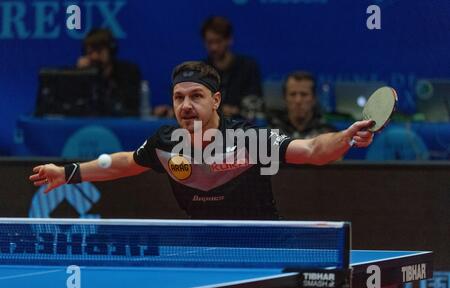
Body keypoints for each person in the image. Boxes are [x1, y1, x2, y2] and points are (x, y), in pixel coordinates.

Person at [29, 61, 374, 220]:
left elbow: (312, 151)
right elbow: (122, 163)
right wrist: (68, 172)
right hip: (203, 246)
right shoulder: (165, 142)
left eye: (196, 96)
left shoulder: (249, 137)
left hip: (262, 248)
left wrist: (344, 138)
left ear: (217, 101)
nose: (186, 105)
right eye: (179, 98)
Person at [201, 16, 263, 119]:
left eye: (218, 41)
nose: (214, 47)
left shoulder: (248, 67)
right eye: (209, 42)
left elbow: (255, 101)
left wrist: (237, 110)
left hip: (242, 126)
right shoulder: (201, 70)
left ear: (229, 40)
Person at [77, 28, 141, 116]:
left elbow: (129, 108)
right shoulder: (80, 74)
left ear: (110, 51)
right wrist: (82, 74)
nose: (95, 56)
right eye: (90, 52)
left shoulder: (128, 73)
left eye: (99, 51)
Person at [269, 71, 335, 139]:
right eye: (292, 94)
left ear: (314, 98)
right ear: (284, 98)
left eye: (304, 94)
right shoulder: (271, 131)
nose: (298, 100)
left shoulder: (326, 133)